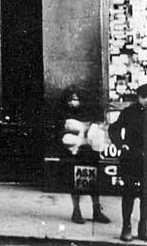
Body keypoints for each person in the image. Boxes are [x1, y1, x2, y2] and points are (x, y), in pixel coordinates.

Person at [57, 87, 109, 225]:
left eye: (75, 99)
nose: (72, 103)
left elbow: (98, 125)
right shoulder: (62, 112)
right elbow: (60, 131)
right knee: (75, 182)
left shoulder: (89, 111)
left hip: (89, 150)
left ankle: (96, 210)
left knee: (94, 181)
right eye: (70, 100)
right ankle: (76, 211)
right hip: (73, 151)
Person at [110, 83, 147, 242]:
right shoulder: (129, 112)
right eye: (144, 97)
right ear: (138, 97)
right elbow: (114, 128)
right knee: (129, 194)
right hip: (131, 159)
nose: (146, 100)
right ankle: (126, 227)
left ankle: (143, 228)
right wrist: (120, 144)